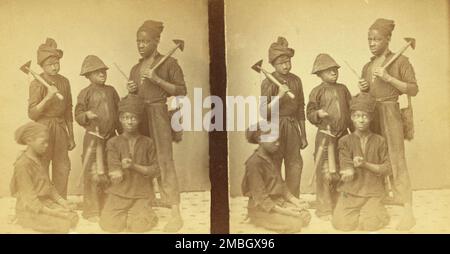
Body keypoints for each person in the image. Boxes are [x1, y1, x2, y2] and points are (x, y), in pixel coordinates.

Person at [126, 20, 186, 232]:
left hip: (159, 114)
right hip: (140, 115)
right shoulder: (135, 68)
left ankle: (175, 211)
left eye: (145, 41)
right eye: (138, 41)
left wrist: (156, 79)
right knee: (141, 157)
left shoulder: (169, 63)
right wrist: (131, 88)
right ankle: (147, 200)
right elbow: (135, 95)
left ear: (157, 41)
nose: (140, 45)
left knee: (163, 160)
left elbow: (181, 91)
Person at [358, 18, 418, 230]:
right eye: (369, 39)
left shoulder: (401, 61)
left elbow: (413, 89)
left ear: (388, 39)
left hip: (391, 113)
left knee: (395, 158)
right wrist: (363, 86)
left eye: (376, 39)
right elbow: (367, 93)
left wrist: (388, 78)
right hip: (372, 113)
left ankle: (408, 209)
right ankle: (381, 197)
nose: (372, 43)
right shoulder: (367, 66)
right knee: (374, 155)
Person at [99, 95, 160, 233]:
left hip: (142, 193)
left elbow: (155, 170)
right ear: (120, 119)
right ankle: (130, 214)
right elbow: (114, 170)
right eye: (126, 118)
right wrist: (116, 172)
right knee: (110, 226)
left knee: (138, 227)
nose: (130, 122)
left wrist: (134, 166)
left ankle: (142, 212)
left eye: (133, 118)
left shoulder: (148, 142)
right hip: (119, 193)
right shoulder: (113, 142)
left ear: (139, 120)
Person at [332, 93, 391, 231]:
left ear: (370, 118)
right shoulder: (345, 141)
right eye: (357, 116)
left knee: (369, 225)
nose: (361, 120)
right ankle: (364, 211)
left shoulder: (380, 140)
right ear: (352, 118)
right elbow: (345, 163)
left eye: (365, 116)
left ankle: (373, 209)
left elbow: (387, 168)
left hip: (373, 192)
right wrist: (348, 171)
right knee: (342, 224)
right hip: (352, 191)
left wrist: (365, 164)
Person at [259, 36, 308, 198]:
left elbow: (300, 108)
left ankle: (293, 199)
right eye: (281, 63)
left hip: (293, 126)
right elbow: (263, 112)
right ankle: (276, 199)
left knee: (295, 164)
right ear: (273, 64)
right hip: (274, 127)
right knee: (274, 164)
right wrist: (279, 96)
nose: (286, 65)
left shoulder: (296, 80)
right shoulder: (268, 83)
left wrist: (303, 135)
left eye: (288, 61)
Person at [75, 55, 121, 222]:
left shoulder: (111, 91)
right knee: (92, 173)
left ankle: (109, 206)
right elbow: (78, 113)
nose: (102, 73)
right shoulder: (84, 93)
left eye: (103, 71)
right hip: (93, 138)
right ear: (88, 75)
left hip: (111, 138)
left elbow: (119, 111)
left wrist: (122, 135)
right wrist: (86, 114)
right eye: (97, 71)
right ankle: (92, 210)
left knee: (111, 170)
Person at [306, 54, 352, 220]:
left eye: (335, 70)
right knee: (324, 171)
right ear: (319, 73)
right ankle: (324, 209)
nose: (334, 72)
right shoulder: (316, 91)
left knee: (343, 169)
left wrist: (353, 134)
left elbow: (351, 109)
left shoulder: (343, 89)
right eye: (329, 70)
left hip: (343, 136)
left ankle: (342, 205)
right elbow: (309, 112)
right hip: (325, 136)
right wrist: (318, 113)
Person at [28, 38, 75, 199]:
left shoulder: (64, 82)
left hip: (61, 127)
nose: (54, 67)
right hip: (43, 129)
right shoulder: (37, 83)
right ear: (41, 66)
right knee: (42, 165)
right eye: (50, 64)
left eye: (57, 63)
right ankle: (43, 200)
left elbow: (68, 109)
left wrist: (71, 136)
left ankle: (60, 200)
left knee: (62, 166)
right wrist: (48, 97)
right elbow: (32, 114)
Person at [242, 123, 311, 233]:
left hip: (277, 202)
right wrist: (289, 212)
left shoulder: (273, 158)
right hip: (262, 208)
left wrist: (296, 202)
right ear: (260, 140)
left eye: (279, 140)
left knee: (306, 215)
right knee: (295, 224)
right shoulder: (253, 163)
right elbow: (262, 199)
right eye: (274, 141)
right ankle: (256, 219)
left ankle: (283, 217)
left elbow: (281, 186)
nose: (278, 144)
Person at [10, 122, 78, 233]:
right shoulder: (22, 165)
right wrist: (56, 212)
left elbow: (49, 187)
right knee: (64, 224)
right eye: (43, 142)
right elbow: (31, 201)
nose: (47, 146)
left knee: (73, 216)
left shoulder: (40, 159)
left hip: (44, 203)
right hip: (30, 209)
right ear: (29, 141)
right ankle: (22, 219)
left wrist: (62, 202)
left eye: (48, 142)